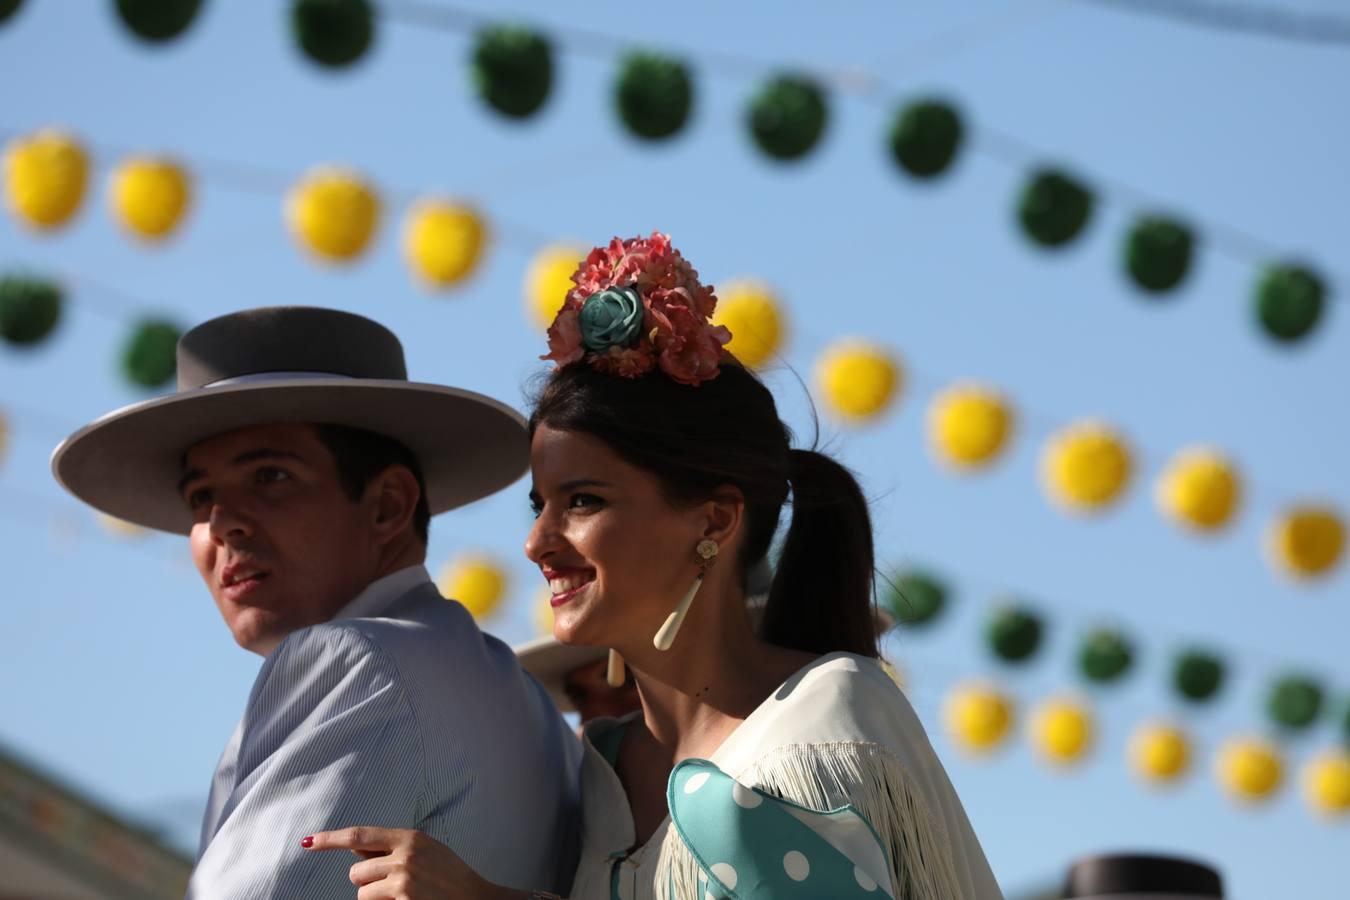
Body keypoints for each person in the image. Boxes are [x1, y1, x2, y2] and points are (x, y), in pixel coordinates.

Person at [305, 233, 1004, 898]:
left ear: (714, 519)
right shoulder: (596, 772)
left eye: (582, 500)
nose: (537, 542)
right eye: (538, 504)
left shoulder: (825, 719)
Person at [50, 306, 582, 898]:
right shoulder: (530, 704)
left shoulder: (357, 659)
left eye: (270, 477)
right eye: (201, 497)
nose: (223, 523)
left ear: (387, 507)